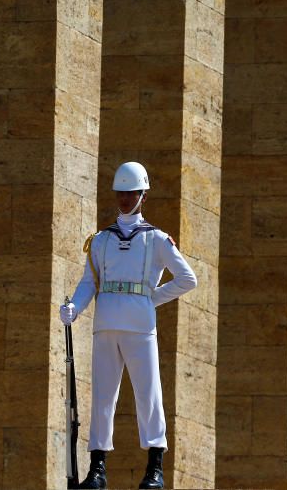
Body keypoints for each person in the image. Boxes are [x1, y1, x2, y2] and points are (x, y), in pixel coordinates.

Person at [60, 162, 198, 489]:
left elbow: (187, 279)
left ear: (142, 195)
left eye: (131, 193)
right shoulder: (100, 240)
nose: (125, 198)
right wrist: (74, 307)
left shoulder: (157, 240)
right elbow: (88, 283)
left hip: (139, 325)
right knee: (103, 395)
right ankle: (97, 466)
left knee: (148, 394)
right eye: (121, 193)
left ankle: (155, 467)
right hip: (106, 322)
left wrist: (151, 299)